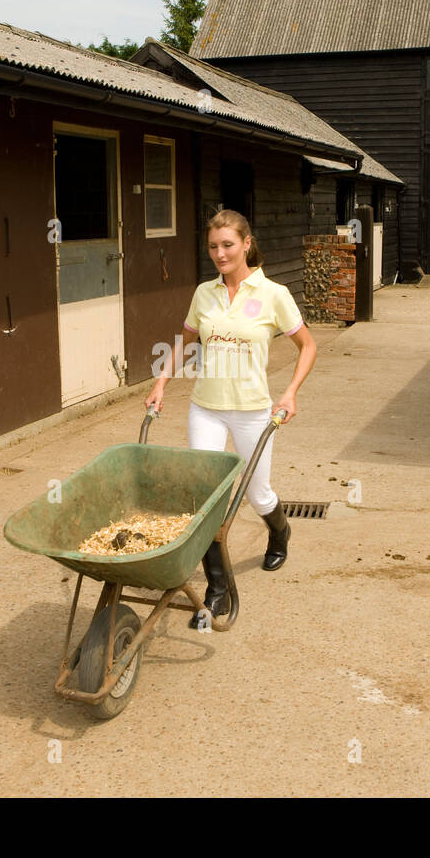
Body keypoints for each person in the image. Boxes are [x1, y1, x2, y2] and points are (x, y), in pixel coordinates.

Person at [145, 209, 317, 625]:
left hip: (253, 412)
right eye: (213, 246)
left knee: (258, 494)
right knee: (205, 501)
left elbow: (308, 346)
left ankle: (280, 531)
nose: (220, 254)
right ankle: (217, 591)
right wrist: (161, 382)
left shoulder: (273, 293)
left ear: (246, 244)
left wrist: (290, 393)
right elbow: (185, 341)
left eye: (227, 245)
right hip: (206, 408)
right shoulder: (204, 293)